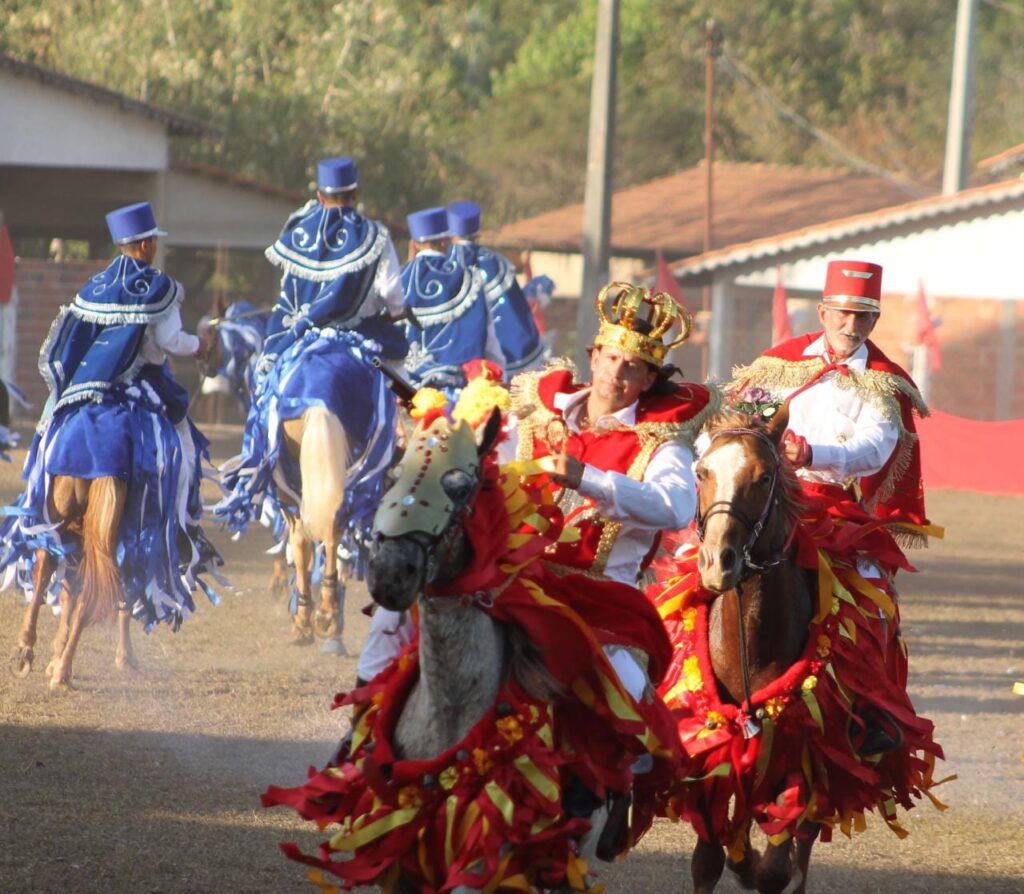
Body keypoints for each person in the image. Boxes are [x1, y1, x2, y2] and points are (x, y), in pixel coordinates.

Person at [730, 258, 942, 750]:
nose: (851, 326)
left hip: (834, 507)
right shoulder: (778, 364)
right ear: (823, 312)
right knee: (698, 569)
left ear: (875, 321)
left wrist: (813, 453)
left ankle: (872, 710)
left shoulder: (885, 380)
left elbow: (876, 447)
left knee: (871, 596)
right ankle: (676, 691)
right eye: (843, 314)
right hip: (765, 494)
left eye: (863, 317)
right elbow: (740, 417)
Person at [0, 201, 218, 625]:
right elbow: (168, 344)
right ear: (146, 244)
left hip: (84, 391)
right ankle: (179, 526)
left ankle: (35, 506)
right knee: (183, 449)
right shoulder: (160, 287)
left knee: (48, 436)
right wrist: (201, 346)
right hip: (137, 390)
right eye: (153, 241)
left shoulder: (95, 284)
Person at [216, 157, 406, 573]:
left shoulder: (298, 230)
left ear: (319, 196)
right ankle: (393, 477)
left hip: (299, 342)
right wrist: (390, 311)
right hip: (356, 341)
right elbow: (393, 296)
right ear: (355, 195)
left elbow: (288, 293)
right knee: (401, 403)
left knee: (264, 391)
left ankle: (263, 469)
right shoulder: (374, 234)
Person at [400, 206, 504, 397]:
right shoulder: (468, 277)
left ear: (414, 244)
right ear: (445, 241)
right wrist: (498, 372)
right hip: (456, 390)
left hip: (406, 389)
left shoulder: (399, 279)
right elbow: (487, 335)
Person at [447, 200, 547, 378]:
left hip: (450, 358)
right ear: (477, 233)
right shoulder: (498, 262)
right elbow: (514, 307)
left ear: (451, 234)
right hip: (498, 359)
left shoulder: (443, 264)